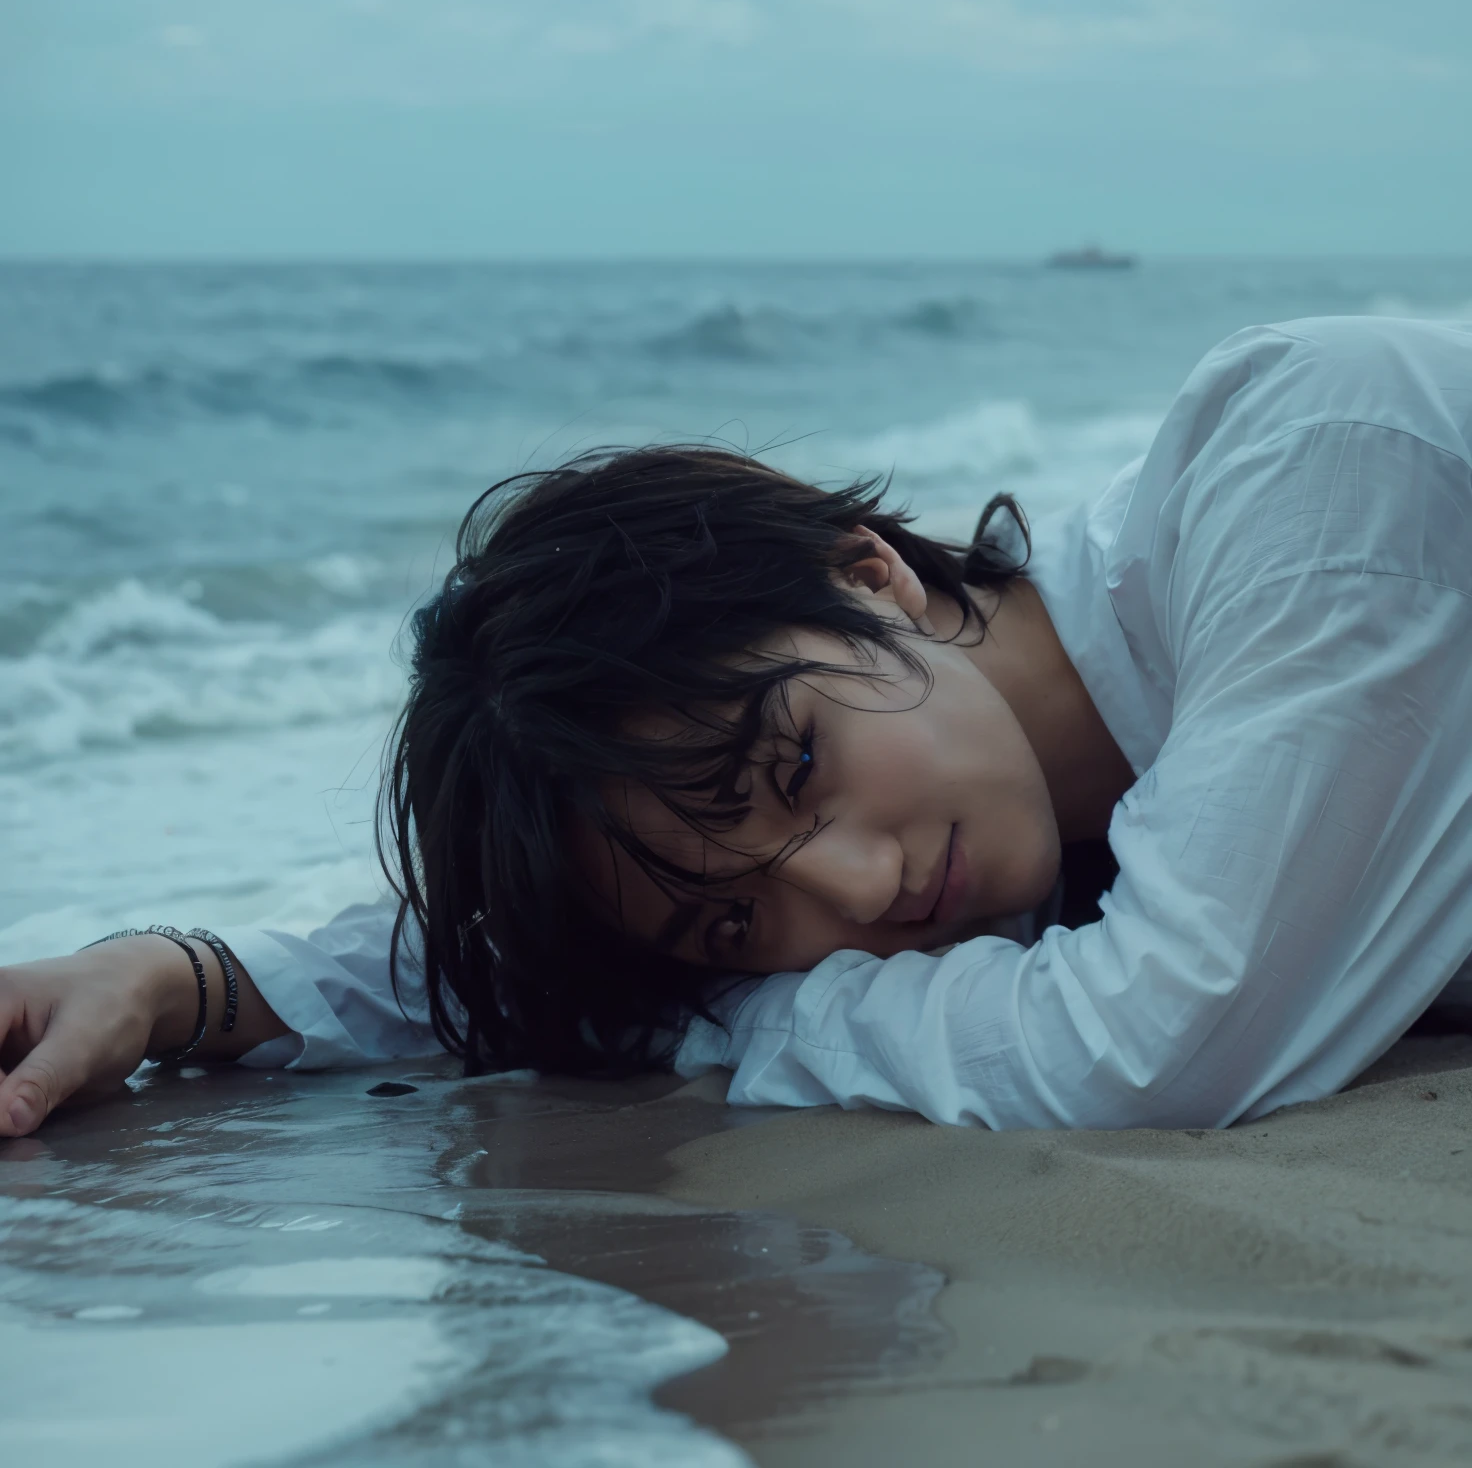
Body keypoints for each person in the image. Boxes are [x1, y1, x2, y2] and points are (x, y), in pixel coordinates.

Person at [4, 315, 1472, 1140]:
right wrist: (181, 977)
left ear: (868, 571)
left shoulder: (1322, 455)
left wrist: (749, 1007)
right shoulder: (1023, 836)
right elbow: (574, 947)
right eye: (733, 926)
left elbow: (1160, 1048)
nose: (844, 893)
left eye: (795, 770)